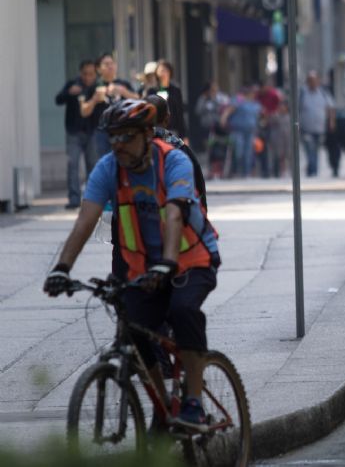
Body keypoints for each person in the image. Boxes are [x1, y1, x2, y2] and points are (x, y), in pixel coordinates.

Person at [43, 99, 221, 429]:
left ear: (147, 133)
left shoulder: (174, 162)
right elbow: (85, 220)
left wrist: (168, 262)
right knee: (136, 329)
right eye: (113, 138)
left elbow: (174, 212)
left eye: (126, 136)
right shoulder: (108, 168)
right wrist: (61, 268)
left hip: (192, 259)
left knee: (183, 313)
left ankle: (194, 401)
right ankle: (163, 405)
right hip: (145, 267)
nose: (118, 145)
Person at [55, 59, 98, 209]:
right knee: (72, 164)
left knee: (92, 166)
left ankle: (92, 198)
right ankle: (74, 198)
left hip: (92, 132)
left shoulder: (98, 88)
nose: (88, 77)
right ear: (81, 73)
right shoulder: (73, 84)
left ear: (95, 74)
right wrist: (69, 92)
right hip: (73, 132)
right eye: (85, 74)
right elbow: (58, 100)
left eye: (91, 74)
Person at [81, 52, 140, 159]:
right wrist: (94, 99)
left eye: (112, 63)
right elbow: (84, 112)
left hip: (122, 131)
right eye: (106, 64)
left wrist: (124, 92)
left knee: (122, 164)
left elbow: (139, 102)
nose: (110, 66)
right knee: (104, 164)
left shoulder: (124, 84)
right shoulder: (94, 87)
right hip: (101, 132)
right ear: (99, 69)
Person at [299, 71, 335, 177]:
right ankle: (312, 171)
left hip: (320, 128)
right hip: (306, 128)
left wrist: (331, 122)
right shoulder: (302, 94)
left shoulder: (323, 93)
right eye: (310, 81)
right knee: (310, 149)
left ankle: (313, 169)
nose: (313, 83)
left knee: (316, 150)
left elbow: (331, 108)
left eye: (315, 81)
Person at [221, 86, 262, 177]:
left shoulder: (254, 104)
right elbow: (229, 110)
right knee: (239, 150)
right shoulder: (238, 101)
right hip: (238, 130)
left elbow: (259, 115)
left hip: (250, 131)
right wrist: (223, 119)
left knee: (248, 152)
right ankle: (237, 170)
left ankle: (246, 172)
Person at [146, 60, 187, 142]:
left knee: (172, 151)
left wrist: (184, 135)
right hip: (157, 130)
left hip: (173, 129)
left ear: (170, 73)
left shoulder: (175, 90)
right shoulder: (152, 91)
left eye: (165, 70)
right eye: (161, 71)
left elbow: (180, 113)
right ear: (156, 73)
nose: (163, 73)